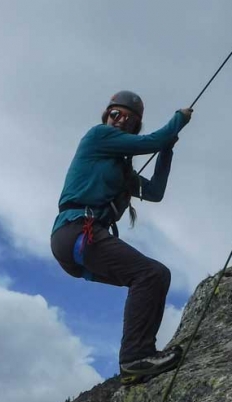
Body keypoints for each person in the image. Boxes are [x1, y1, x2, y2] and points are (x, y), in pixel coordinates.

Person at [50, 90, 193, 385]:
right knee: (151, 275)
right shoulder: (98, 136)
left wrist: (167, 151)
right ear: (107, 116)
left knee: (149, 278)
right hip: (78, 229)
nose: (120, 120)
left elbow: (155, 192)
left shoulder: (121, 171)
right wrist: (178, 120)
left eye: (128, 119)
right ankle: (135, 357)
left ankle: (138, 362)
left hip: (76, 241)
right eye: (115, 114)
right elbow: (150, 142)